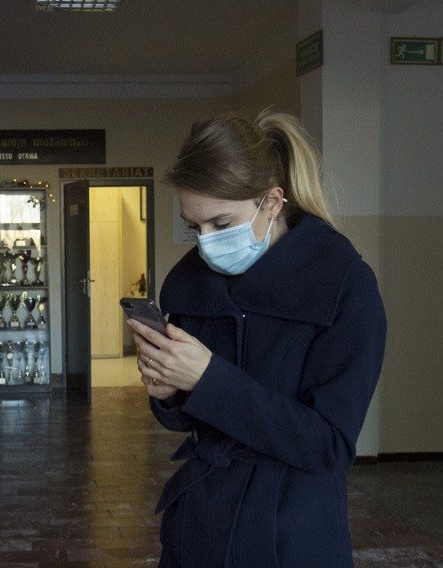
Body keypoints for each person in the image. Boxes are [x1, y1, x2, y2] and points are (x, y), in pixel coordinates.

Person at [127, 109, 386, 567]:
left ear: (272, 201)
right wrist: (168, 391)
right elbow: (186, 421)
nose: (205, 243)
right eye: (194, 227)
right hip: (200, 523)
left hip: (290, 533)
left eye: (221, 225)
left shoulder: (345, 286)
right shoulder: (191, 281)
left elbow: (329, 444)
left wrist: (208, 379)